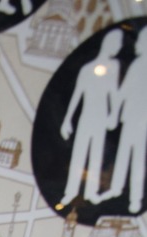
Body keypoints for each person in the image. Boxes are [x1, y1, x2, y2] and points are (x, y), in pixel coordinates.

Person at [60, 29, 125, 210]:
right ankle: (71, 191)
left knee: (96, 156)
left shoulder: (113, 68)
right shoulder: (88, 69)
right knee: (79, 155)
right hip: (87, 116)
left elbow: (114, 94)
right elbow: (77, 95)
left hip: (101, 117)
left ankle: (90, 193)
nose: (118, 48)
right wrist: (67, 119)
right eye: (116, 44)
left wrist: (114, 114)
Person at [108, 30, 147, 211]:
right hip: (130, 118)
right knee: (123, 154)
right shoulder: (137, 65)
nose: (137, 44)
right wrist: (115, 113)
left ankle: (135, 199)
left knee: (138, 159)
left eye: (140, 41)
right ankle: (116, 189)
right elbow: (123, 91)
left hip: (142, 121)